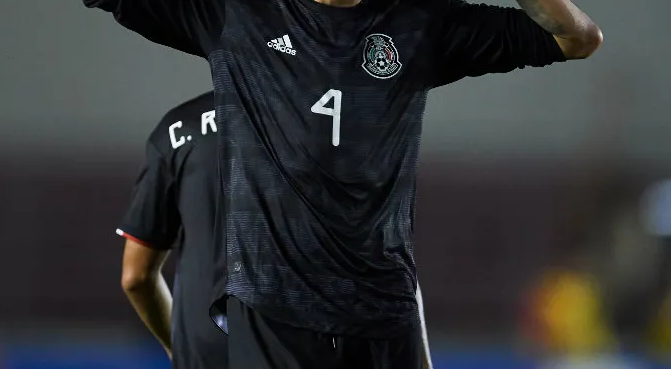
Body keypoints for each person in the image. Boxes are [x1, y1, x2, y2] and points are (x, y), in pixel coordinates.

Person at [55, 0, 600, 369]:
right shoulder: (237, 8)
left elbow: (577, 36)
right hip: (273, 317)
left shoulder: (419, 24)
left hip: (385, 317)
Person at [117, 91, 435, 369]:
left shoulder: (177, 131)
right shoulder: (328, 123)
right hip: (299, 348)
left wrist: (179, 349)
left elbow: (136, 277)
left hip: (207, 352)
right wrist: (420, 359)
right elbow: (385, 257)